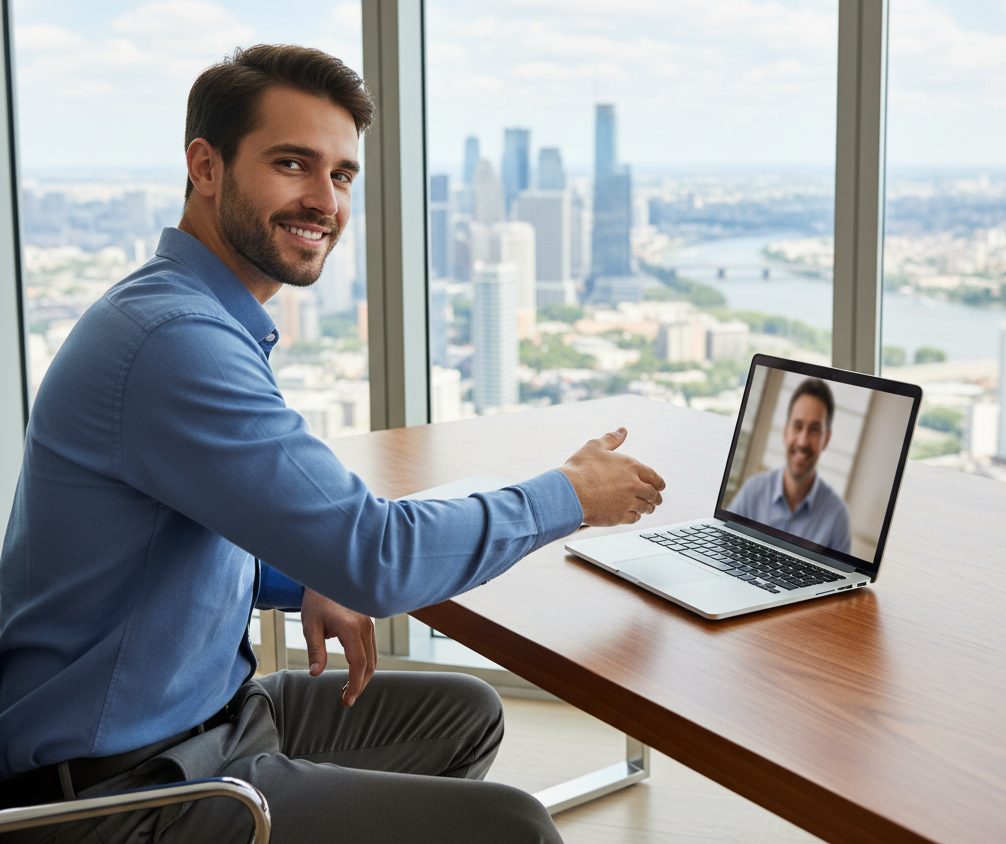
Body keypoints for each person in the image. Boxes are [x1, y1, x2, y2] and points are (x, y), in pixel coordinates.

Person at [0, 45, 666, 844]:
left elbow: (192, 531)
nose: (324, 200)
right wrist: (571, 494)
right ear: (205, 167)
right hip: (123, 789)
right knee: (512, 829)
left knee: (462, 714)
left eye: (342, 175)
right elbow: (377, 557)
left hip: (206, 716)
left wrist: (306, 570)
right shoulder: (175, 342)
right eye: (293, 164)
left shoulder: (190, 314)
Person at [727, 378, 851, 554]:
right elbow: (722, 549)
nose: (803, 441)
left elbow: (846, 580)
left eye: (815, 429)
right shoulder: (753, 491)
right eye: (797, 426)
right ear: (785, 432)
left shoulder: (838, 516)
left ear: (826, 440)